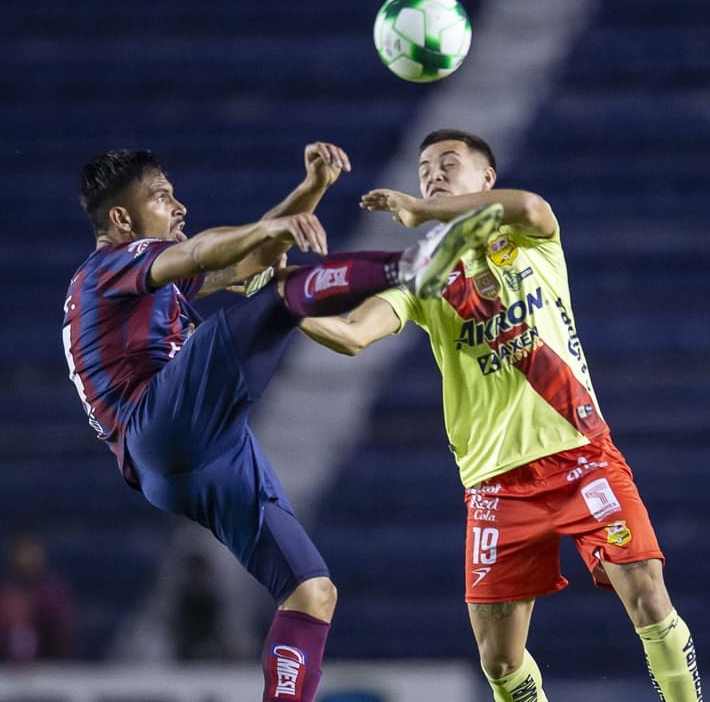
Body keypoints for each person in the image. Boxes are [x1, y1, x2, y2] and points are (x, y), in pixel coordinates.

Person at [60, 141, 499, 702]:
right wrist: (267, 232)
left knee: (311, 592)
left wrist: (311, 188)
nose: (179, 207)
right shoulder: (112, 264)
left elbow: (251, 258)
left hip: (188, 458)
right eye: (163, 197)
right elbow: (204, 251)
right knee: (284, 294)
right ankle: (411, 267)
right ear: (123, 219)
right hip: (162, 421)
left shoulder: (139, 279)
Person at [300, 130, 704, 702]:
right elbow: (352, 333)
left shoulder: (527, 238)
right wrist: (284, 306)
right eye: (424, 168)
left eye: (448, 163)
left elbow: (530, 205)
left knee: (647, 594)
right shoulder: (419, 277)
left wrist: (424, 210)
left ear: (486, 178)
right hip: (494, 484)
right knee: (499, 659)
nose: (433, 174)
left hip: (579, 452)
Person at [0, 531, 76, 664]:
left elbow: (65, 637)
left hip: (50, 667)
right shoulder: (1, 593)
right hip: (3, 668)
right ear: (13, 555)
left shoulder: (54, 593)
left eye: (33, 552)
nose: (29, 558)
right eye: (24, 552)